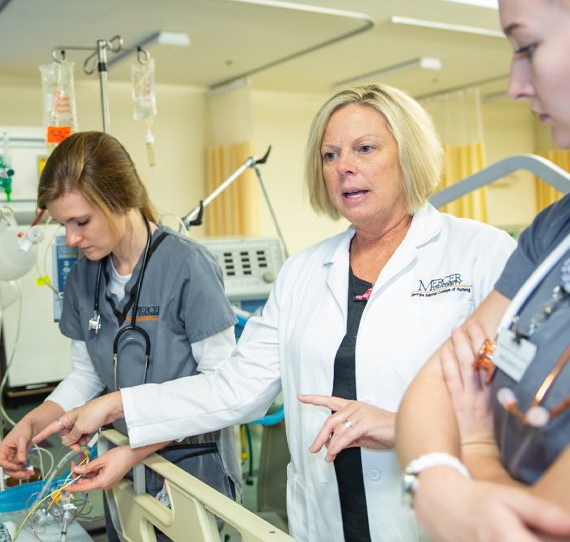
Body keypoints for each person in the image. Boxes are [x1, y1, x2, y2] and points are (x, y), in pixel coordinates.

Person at [35, 84, 516, 542]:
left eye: (365, 149)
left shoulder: (480, 254)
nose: (343, 167)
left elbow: (532, 400)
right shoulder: (303, 271)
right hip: (325, 517)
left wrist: (404, 424)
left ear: (407, 153)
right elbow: (236, 388)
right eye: (330, 155)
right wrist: (117, 406)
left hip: (434, 514)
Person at [393, 0, 570, 540]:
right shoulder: (554, 229)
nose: (516, 85)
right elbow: (436, 383)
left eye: (527, 47)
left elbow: (537, 525)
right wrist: (445, 474)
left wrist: (468, 452)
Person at [0, 131, 241, 539]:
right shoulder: (83, 277)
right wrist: (32, 422)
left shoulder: (188, 267)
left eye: (82, 222)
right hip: (120, 465)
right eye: (64, 225)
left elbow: (223, 386)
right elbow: (85, 375)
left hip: (192, 463)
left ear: (122, 200)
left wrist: (133, 449)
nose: (72, 239)